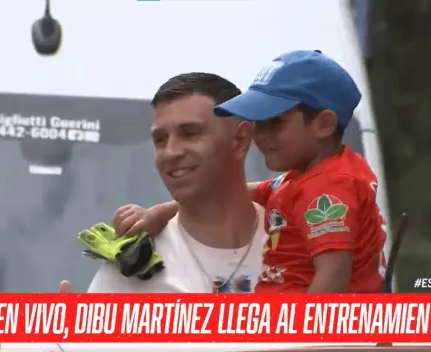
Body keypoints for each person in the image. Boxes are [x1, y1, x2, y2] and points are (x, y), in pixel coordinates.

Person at [114, 50, 387, 293]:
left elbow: (333, 276)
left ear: (323, 124)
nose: (260, 135)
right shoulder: (309, 179)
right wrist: (159, 213)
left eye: (275, 123)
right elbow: (250, 191)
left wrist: (301, 343)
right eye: (258, 122)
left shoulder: (330, 188)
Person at [87, 72, 267, 293]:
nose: (170, 153)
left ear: (240, 140)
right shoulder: (132, 265)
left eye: (190, 133)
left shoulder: (300, 239)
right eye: (160, 140)